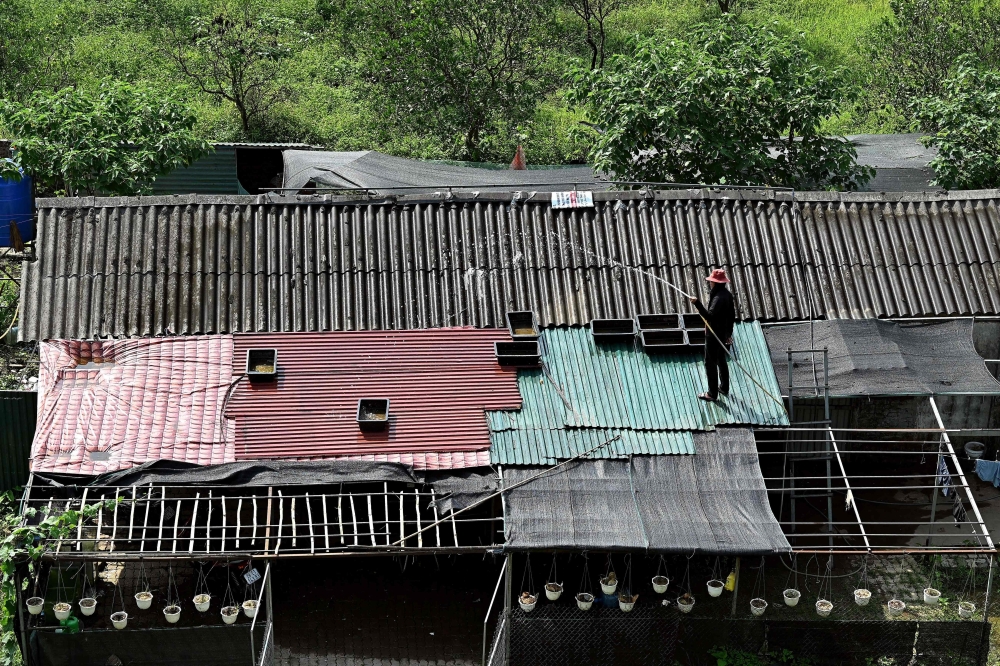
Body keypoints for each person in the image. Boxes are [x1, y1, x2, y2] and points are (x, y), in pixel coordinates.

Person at [689, 268, 736, 402]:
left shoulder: (718, 298)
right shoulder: (727, 295)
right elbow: (731, 316)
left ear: (715, 283)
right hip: (722, 334)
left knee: (710, 363)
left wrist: (697, 303)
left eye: (711, 281)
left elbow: (709, 316)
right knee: (721, 359)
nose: (710, 283)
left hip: (713, 335)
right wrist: (728, 333)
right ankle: (724, 387)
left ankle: (712, 393)